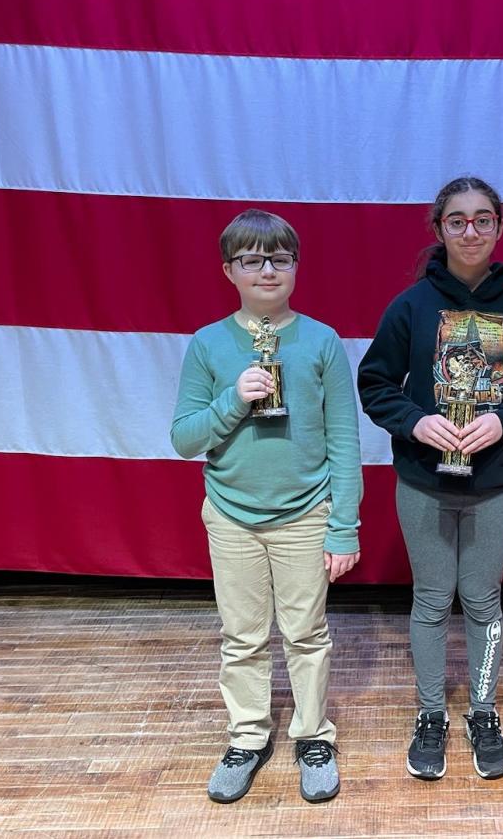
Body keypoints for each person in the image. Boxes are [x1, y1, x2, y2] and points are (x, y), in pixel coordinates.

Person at [357, 177, 503, 781]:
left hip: (496, 485)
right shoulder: (411, 307)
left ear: (499, 228)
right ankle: (430, 715)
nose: (469, 231)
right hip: (424, 481)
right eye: (457, 221)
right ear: (439, 228)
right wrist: (416, 421)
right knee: (430, 601)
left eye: (482, 220)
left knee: (482, 601)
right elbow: (375, 385)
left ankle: (481, 709)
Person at [170, 209, 363, 805]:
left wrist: (343, 526)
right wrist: (234, 398)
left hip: (306, 513)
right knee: (243, 636)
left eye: (280, 259)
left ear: (296, 268)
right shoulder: (207, 344)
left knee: (306, 633)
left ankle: (312, 734)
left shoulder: (322, 341)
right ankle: (248, 736)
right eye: (252, 260)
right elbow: (184, 439)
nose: (268, 271)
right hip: (231, 515)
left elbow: (344, 440)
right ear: (230, 270)